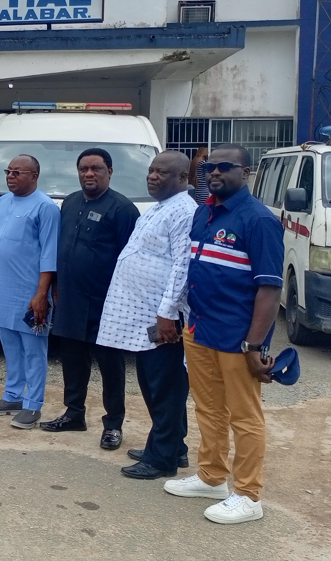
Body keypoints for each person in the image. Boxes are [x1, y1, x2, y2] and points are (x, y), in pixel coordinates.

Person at [164, 143, 283, 525]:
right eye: (208, 167)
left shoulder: (258, 221)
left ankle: (248, 495)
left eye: (224, 167)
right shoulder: (204, 213)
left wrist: (254, 344)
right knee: (208, 407)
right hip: (199, 328)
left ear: (245, 173)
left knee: (244, 416)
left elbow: (269, 288)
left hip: (237, 335)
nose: (214, 173)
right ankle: (212, 477)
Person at [95, 151, 197, 480]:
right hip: (141, 318)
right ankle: (172, 447)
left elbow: (183, 267)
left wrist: (167, 314)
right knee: (153, 385)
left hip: (161, 319)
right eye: (151, 171)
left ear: (183, 179)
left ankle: (161, 458)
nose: (152, 177)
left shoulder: (185, 211)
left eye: (162, 173)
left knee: (165, 388)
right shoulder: (158, 208)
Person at [41, 148, 140, 450]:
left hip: (106, 302)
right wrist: (55, 284)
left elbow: (131, 258)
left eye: (96, 168)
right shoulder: (69, 202)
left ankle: (113, 424)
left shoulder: (123, 210)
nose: (89, 174)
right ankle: (74, 414)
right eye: (83, 168)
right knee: (72, 360)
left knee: (110, 365)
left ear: (109, 171)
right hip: (71, 297)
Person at [0, 155, 58, 429]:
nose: (11, 176)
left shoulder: (46, 208)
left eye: (18, 172)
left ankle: (33, 404)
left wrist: (41, 294)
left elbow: (49, 254)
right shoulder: (1, 203)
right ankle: (12, 395)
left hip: (29, 292)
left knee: (33, 349)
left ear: (34, 176)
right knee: (9, 346)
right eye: (8, 171)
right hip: (2, 289)